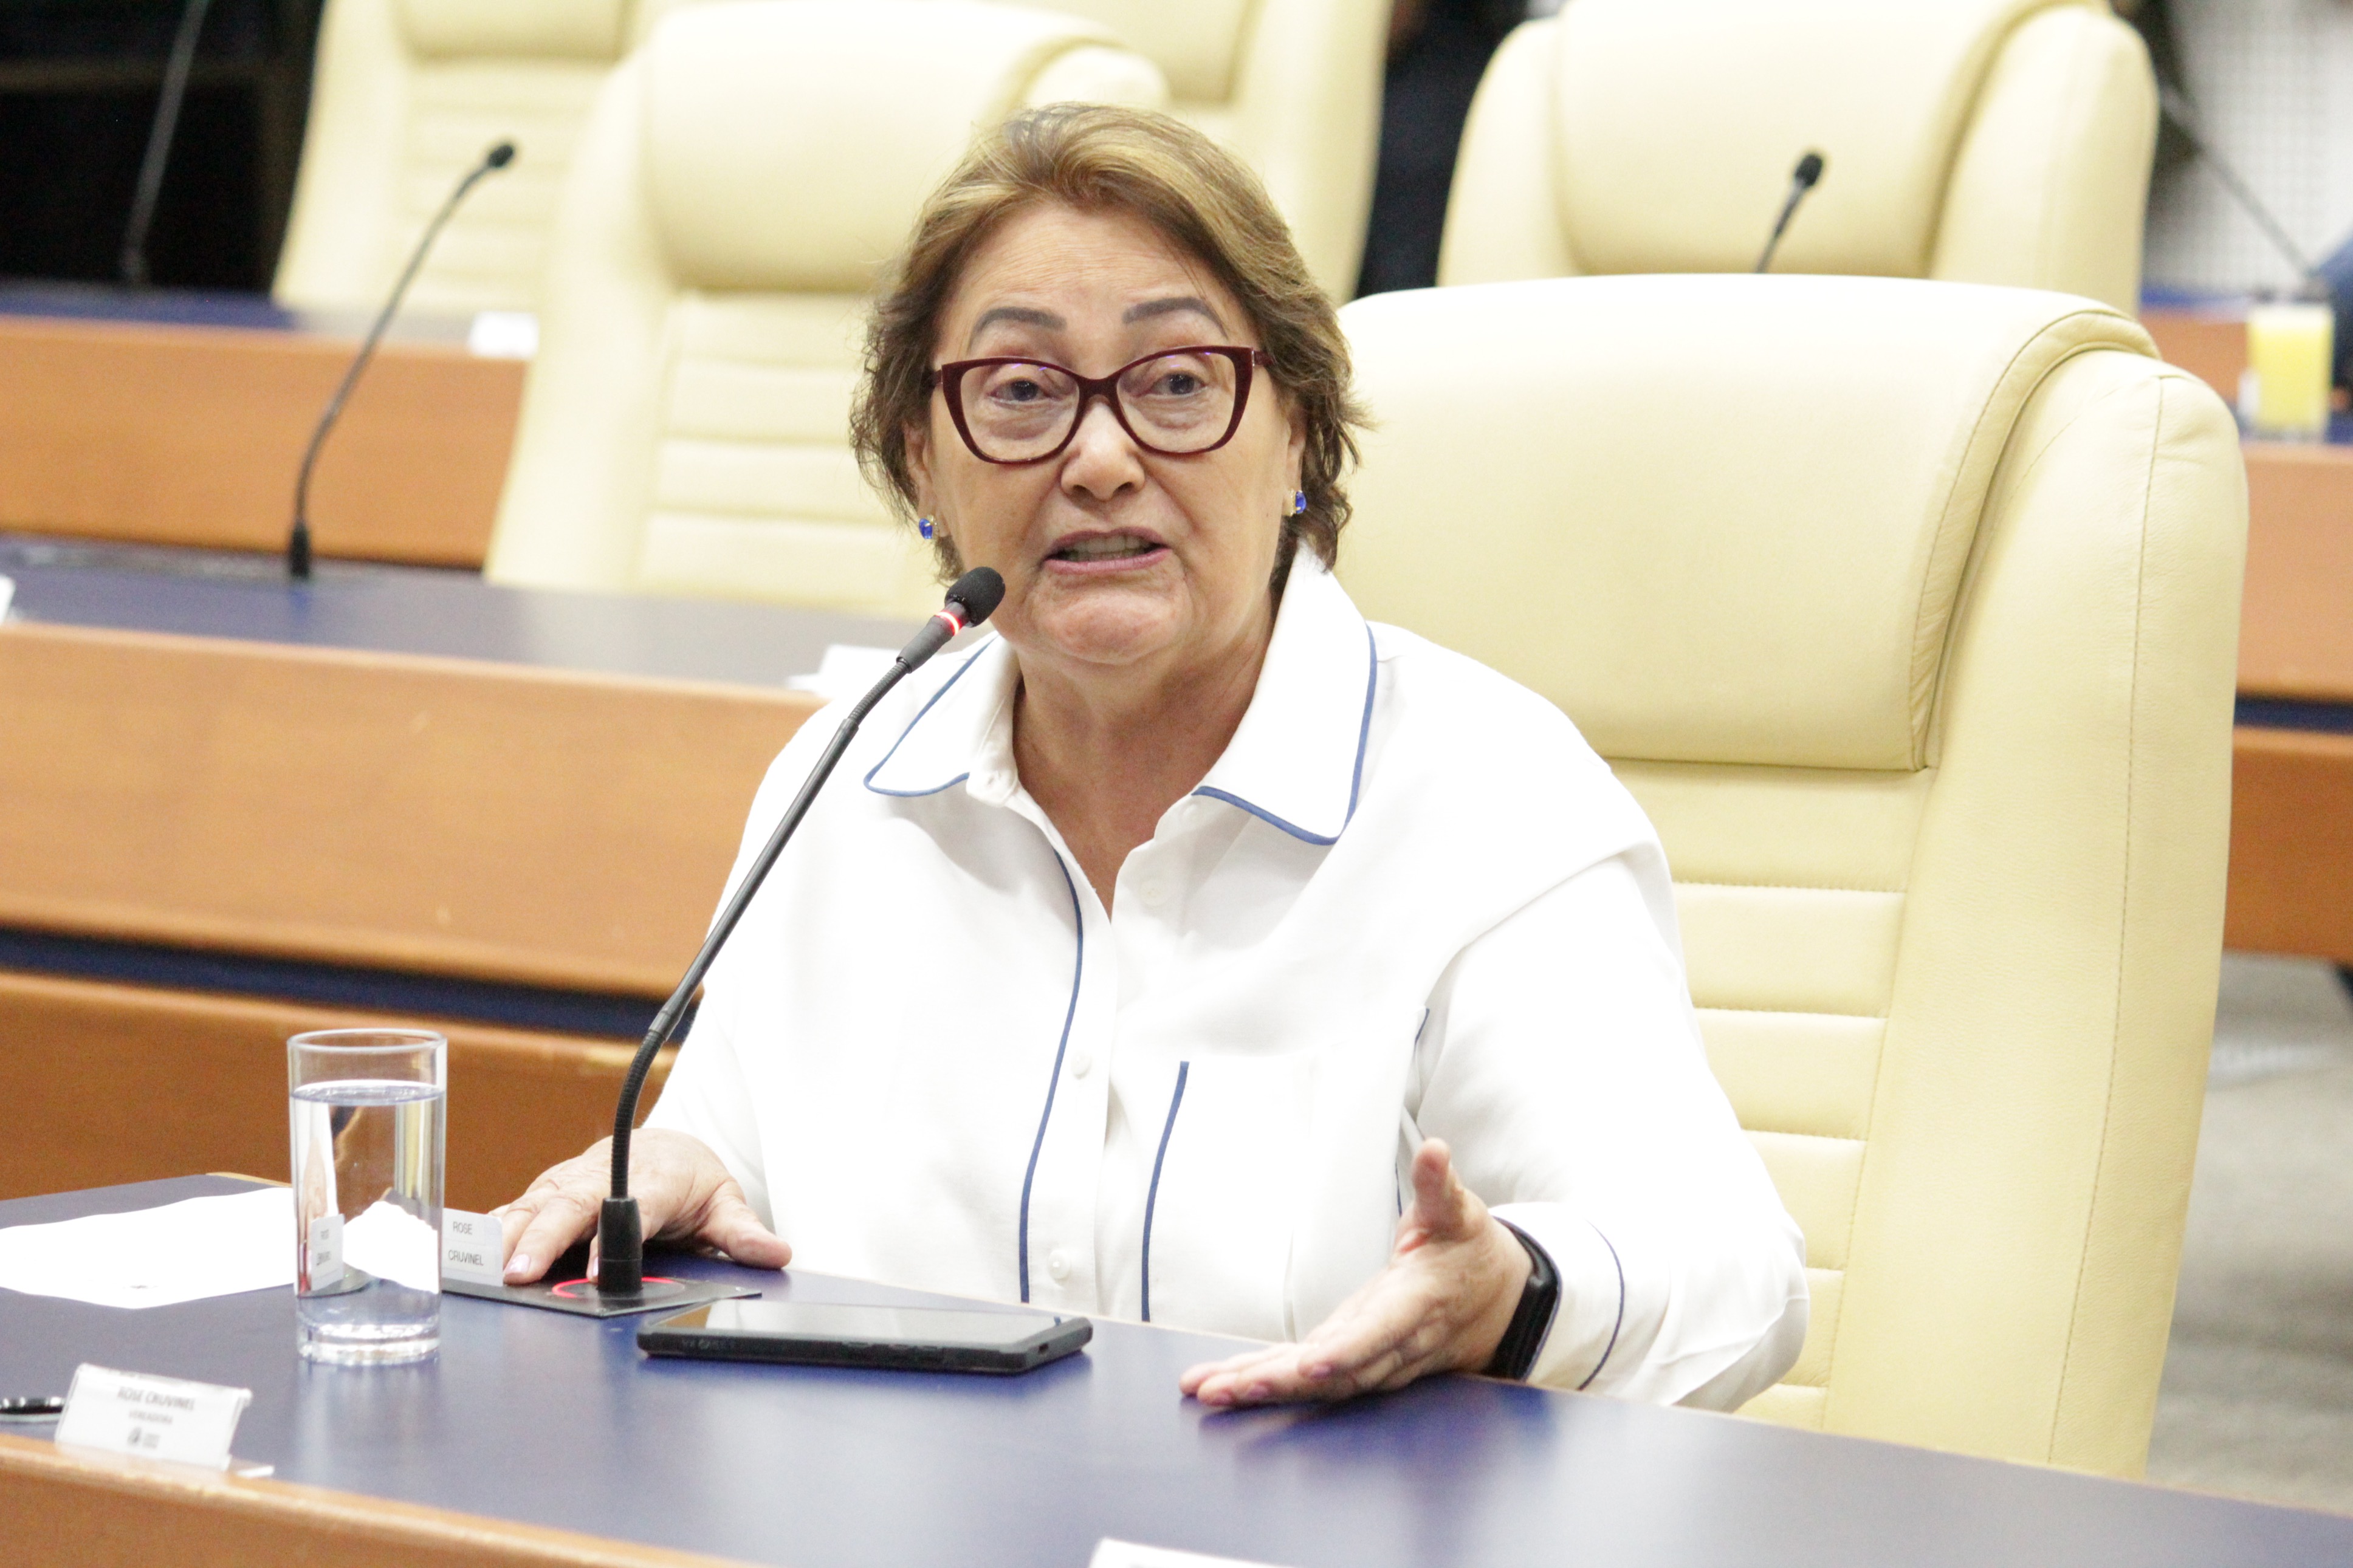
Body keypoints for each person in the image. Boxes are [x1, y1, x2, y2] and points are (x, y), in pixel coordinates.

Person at [495, 104, 1807, 1409]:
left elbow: (1727, 1278)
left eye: (1178, 383)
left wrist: (1510, 1293)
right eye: (1021, 393)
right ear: (922, 463)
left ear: (1298, 432)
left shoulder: (1484, 795)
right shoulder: (842, 786)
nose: (1103, 458)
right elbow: (731, 1156)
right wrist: (675, 1169)